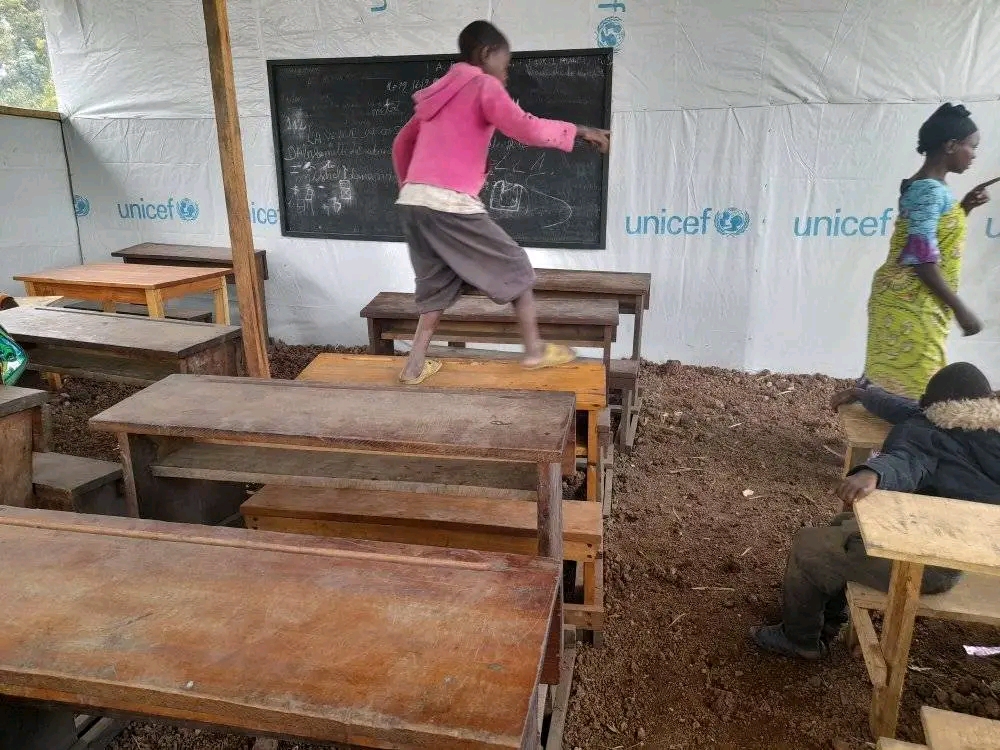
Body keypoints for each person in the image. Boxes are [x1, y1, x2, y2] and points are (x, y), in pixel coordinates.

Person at [391, 20, 611, 384]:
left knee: (436, 284)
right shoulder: (482, 85)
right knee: (517, 268)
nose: (506, 76)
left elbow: (401, 143)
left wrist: (412, 188)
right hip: (449, 202)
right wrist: (580, 131)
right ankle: (534, 351)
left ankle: (413, 366)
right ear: (486, 54)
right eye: (505, 65)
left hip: (413, 202)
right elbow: (525, 127)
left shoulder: (437, 96)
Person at [751, 362, 1000, 659]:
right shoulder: (983, 428)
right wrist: (866, 395)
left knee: (809, 546)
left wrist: (873, 473)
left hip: (927, 564)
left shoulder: (932, 436)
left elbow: (908, 461)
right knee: (842, 525)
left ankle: (799, 640)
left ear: (935, 408)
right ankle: (830, 616)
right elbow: (909, 410)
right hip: (977, 553)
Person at [863, 103, 993, 400]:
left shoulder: (931, 188)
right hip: (910, 300)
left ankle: (886, 424)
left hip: (913, 298)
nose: (974, 155)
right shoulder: (930, 191)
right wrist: (961, 310)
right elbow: (921, 259)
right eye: (972, 147)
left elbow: (934, 237)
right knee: (919, 381)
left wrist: (964, 208)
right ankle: (895, 428)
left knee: (904, 379)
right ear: (950, 145)